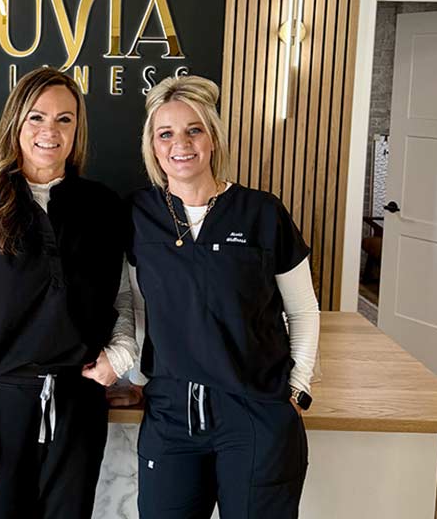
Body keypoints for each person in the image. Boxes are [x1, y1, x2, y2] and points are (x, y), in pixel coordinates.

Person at [0, 67, 138, 519]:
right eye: (37, 117)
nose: (51, 131)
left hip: (80, 404)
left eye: (65, 119)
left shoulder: (104, 208)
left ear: (77, 129)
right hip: (1, 409)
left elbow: (122, 298)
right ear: (15, 122)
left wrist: (122, 352)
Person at [129, 75, 320, 518]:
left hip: (254, 414)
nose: (180, 144)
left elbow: (303, 310)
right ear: (153, 146)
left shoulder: (263, 213)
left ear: (212, 138)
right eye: (165, 133)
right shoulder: (139, 215)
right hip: (172, 415)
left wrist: (298, 386)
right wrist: (134, 378)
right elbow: (138, 305)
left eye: (193, 130)